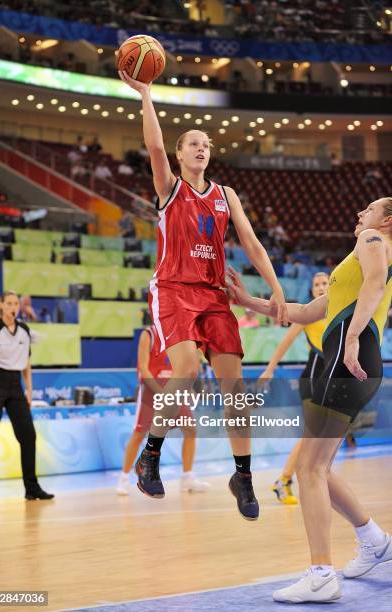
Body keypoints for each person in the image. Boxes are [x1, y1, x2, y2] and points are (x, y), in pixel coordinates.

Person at [118, 68, 287, 520]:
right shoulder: (169, 188)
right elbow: (153, 145)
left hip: (214, 295)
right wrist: (146, 95)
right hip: (173, 288)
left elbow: (250, 242)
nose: (202, 148)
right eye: (194, 142)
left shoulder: (226, 194)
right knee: (188, 370)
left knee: (236, 389)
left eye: (207, 145)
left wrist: (275, 291)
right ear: (180, 153)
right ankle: (150, 455)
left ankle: (243, 475)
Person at [226, 196, 392, 603]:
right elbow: (305, 311)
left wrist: (351, 337)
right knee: (317, 467)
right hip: (354, 359)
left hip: (347, 356)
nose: (359, 214)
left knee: (310, 468)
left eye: (367, 209)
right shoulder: (351, 266)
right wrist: (249, 302)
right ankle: (376, 542)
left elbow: (375, 282)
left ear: (386, 220)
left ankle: (321, 574)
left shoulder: (373, 240)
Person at [259, 272, 329, 505]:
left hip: (330, 380)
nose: (320, 287)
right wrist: (269, 370)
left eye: (324, 283)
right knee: (313, 435)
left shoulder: (340, 311)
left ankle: (291, 480)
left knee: (319, 436)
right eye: (316, 284)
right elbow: (285, 342)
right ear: (312, 291)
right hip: (312, 379)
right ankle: (286, 480)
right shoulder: (308, 314)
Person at [117, 326, 209, 495]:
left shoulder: (180, 334)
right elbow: (143, 369)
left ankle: (187, 477)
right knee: (139, 433)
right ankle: (123, 478)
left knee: (190, 429)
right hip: (151, 390)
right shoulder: (149, 334)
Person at [0, 291, 54, 503]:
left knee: (28, 436)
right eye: (9, 303)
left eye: (16, 303)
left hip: (16, 386)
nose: (13, 307)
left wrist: (29, 389)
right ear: (1, 305)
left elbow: (27, 363)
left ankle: (31, 488)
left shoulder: (24, 329)